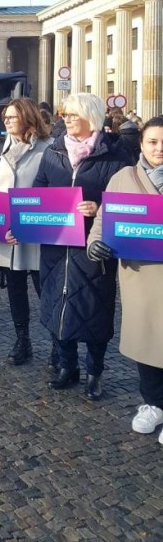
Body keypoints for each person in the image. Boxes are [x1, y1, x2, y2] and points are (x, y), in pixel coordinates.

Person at [33, 92, 132, 400]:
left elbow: (125, 200)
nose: (67, 120)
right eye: (66, 115)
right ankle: (67, 366)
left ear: (92, 117)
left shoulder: (115, 156)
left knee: (94, 309)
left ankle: (95, 371)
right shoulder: (54, 151)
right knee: (57, 305)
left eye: (74, 115)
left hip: (92, 246)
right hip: (57, 244)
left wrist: (98, 207)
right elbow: (39, 188)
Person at [87, 116, 163, 442]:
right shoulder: (122, 178)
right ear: (142, 144)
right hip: (139, 276)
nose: (160, 149)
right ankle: (153, 403)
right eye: (153, 142)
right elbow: (105, 219)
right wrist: (95, 244)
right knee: (147, 342)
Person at [0, 98, 52, 365]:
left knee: (43, 287)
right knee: (15, 286)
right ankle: (22, 339)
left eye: (12, 116)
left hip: (35, 229)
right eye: (5, 117)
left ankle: (58, 343)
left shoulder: (48, 148)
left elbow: (52, 190)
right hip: (7, 229)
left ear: (28, 117)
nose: (7, 121)